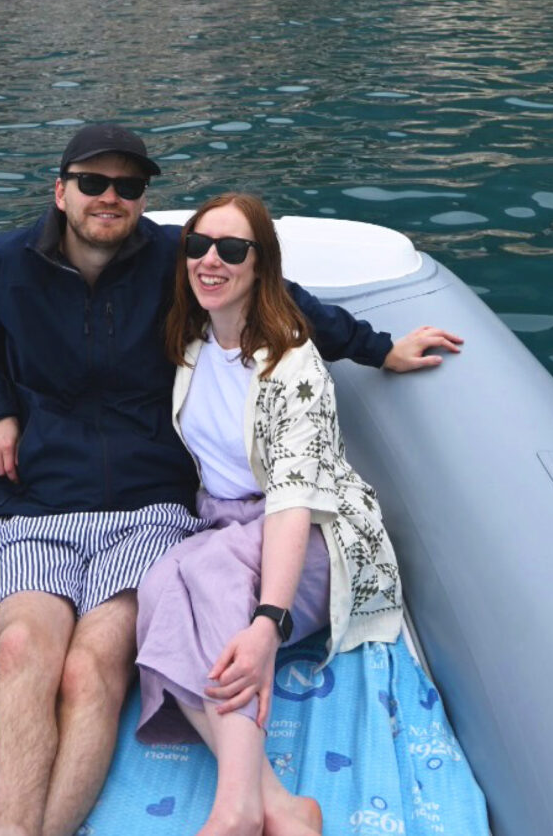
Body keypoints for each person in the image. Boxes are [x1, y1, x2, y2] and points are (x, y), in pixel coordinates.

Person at [0, 124, 462, 836]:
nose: (110, 197)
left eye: (128, 186)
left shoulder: (175, 260)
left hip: (150, 506)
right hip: (40, 500)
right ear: (59, 190)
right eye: (93, 182)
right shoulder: (2, 263)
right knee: (21, 652)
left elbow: (287, 304)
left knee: (93, 667)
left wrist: (379, 348)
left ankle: (181, 813)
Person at [133, 194, 408, 836]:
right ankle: (280, 805)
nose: (211, 261)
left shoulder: (293, 364)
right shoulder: (190, 341)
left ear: (262, 265)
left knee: (211, 574)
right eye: (198, 246)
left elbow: (290, 507)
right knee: (158, 589)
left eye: (233, 250)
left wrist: (267, 624)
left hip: (314, 540)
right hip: (228, 525)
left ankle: (234, 811)